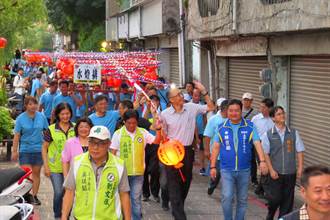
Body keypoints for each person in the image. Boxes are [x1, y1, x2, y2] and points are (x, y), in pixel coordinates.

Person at [160, 81, 215, 220]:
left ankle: (178, 206)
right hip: (172, 152)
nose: (181, 96)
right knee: (173, 183)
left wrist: (204, 91)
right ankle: (179, 214)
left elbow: (211, 107)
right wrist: (157, 126)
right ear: (171, 100)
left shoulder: (191, 107)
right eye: (177, 95)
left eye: (181, 93)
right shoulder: (165, 114)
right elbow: (162, 135)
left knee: (186, 181)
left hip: (188, 151)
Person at [210, 99, 269, 220]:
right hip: (226, 169)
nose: (233, 113)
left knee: (242, 199)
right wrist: (212, 166)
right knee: (227, 197)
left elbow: (257, 143)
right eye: (231, 111)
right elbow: (215, 147)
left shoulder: (250, 126)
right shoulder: (221, 127)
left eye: (236, 110)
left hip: (244, 169)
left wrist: (262, 161)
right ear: (227, 112)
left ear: (241, 111)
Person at [61, 126, 131, 220]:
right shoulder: (77, 162)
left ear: (109, 144)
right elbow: (69, 191)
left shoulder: (119, 165)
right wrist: (64, 217)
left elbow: (124, 194)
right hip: (81, 217)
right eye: (92, 142)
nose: (95, 147)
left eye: (101, 143)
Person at [110, 109, 161, 220]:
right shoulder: (118, 134)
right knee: (122, 199)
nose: (132, 125)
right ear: (124, 122)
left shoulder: (142, 132)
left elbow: (156, 141)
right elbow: (112, 154)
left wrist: (158, 130)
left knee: (136, 199)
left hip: (138, 173)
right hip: (122, 174)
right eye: (129, 123)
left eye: (134, 123)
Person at [261, 106, 305, 220]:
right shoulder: (268, 135)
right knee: (275, 199)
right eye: (279, 114)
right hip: (276, 173)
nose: (282, 116)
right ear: (273, 118)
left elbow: (300, 150)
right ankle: (271, 213)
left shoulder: (293, 133)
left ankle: (283, 218)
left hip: (290, 173)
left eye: (283, 113)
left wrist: (300, 168)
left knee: (287, 202)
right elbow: (266, 154)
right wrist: (271, 170)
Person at [11, 96, 49, 205]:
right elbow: (17, 136)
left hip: (38, 149)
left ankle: (34, 195)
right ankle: (26, 195)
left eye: (35, 104)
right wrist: (14, 151)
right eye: (30, 104)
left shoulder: (41, 117)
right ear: (26, 106)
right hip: (25, 150)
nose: (33, 106)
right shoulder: (20, 118)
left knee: (36, 174)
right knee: (27, 174)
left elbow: (47, 132)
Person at [41, 103, 75, 219]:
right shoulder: (51, 129)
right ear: (58, 115)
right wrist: (46, 166)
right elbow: (44, 147)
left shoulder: (76, 128)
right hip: (55, 167)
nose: (65, 116)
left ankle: (66, 215)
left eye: (67, 114)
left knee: (69, 193)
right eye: (63, 114)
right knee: (59, 192)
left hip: (72, 168)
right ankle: (57, 215)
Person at [204, 98, 229, 195]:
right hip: (217, 154)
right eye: (229, 110)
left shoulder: (233, 120)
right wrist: (206, 150)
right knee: (216, 174)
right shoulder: (213, 120)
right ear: (223, 109)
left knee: (228, 177)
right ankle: (212, 185)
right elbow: (207, 136)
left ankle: (228, 194)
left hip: (229, 154)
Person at [251, 98, 274, 195]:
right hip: (258, 145)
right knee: (264, 166)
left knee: (269, 167)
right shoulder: (256, 118)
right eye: (260, 107)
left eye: (263, 107)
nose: (261, 109)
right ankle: (265, 190)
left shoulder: (274, 119)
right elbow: (251, 132)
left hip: (272, 145)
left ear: (270, 108)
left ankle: (260, 189)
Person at [242, 92, 259, 186]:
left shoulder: (255, 112)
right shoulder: (239, 110)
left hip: (251, 139)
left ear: (251, 101)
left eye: (248, 100)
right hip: (241, 139)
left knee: (252, 160)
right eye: (245, 100)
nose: (246, 102)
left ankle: (254, 179)